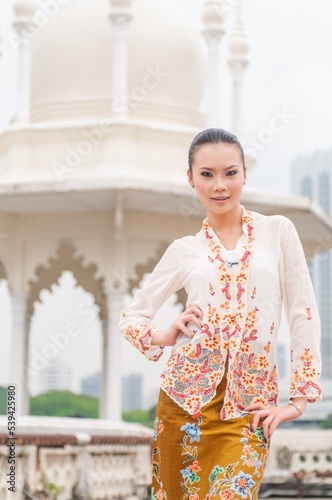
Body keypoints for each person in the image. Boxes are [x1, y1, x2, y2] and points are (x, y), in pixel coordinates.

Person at [119, 128, 322, 500]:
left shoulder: (277, 231)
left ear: (244, 173)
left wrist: (298, 400)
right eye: (207, 174)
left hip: (250, 406)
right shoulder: (184, 250)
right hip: (183, 403)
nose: (220, 186)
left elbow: (302, 311)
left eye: (230, 173)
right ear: (191, 179)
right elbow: (131, 316)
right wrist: (163, 336)